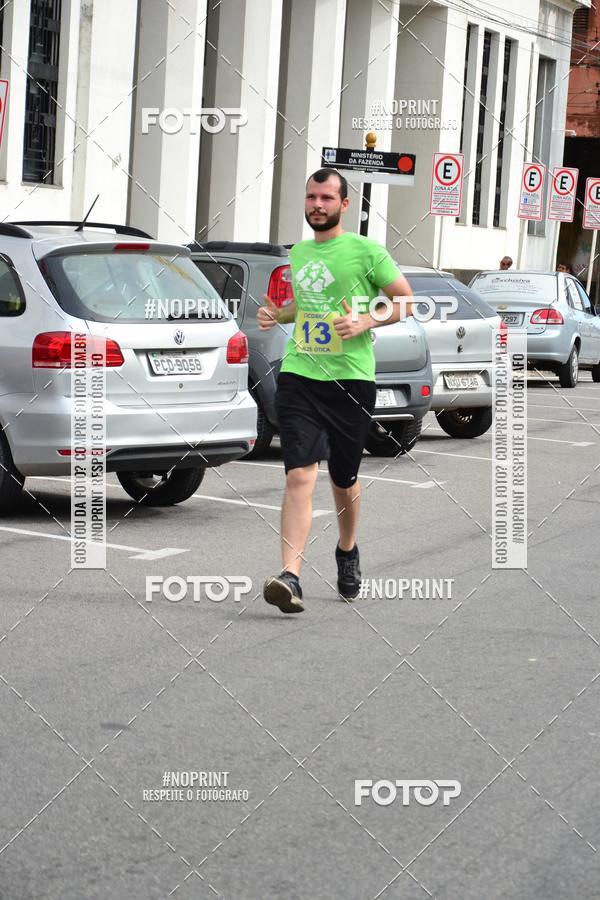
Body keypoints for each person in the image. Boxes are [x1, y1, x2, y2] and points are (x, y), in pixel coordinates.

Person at [257, 167, 413, 614]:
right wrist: (280, 316)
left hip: (351, 380)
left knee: (343, 480)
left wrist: (366, 319)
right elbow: (310, 307)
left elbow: (405, 298)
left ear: (344, 205)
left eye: (326, 198)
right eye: (311, 197)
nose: (317, 205)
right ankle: (291, 576)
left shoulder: (365, 250)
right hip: (300, 375)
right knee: (299, 473)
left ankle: (347, 550)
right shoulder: (300, 252)